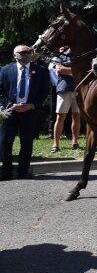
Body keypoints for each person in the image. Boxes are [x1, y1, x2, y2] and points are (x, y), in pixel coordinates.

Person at [0, 45, 51, 179]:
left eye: (29, 52)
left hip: (29, 112)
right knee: (5, 141)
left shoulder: (40, 70)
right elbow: (0, 91)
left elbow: (45, 90)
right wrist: (10, 105)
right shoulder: (5, 70)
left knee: (27, 142)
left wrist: (32, 105)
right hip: (10, 111)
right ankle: (6, 171)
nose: (26, 54)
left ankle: (23, 170)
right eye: (23, 52)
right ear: (15, 55)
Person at [49, 45, 81, 152]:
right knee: (60, 116)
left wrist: (68, 70)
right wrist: (76, 71)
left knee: (76, 116)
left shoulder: (79, 54)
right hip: (64, 88)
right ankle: (55, 144)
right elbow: (59, 69)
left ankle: (75, 142)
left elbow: (85, 70)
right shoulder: (58, 56)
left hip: (79, 89)